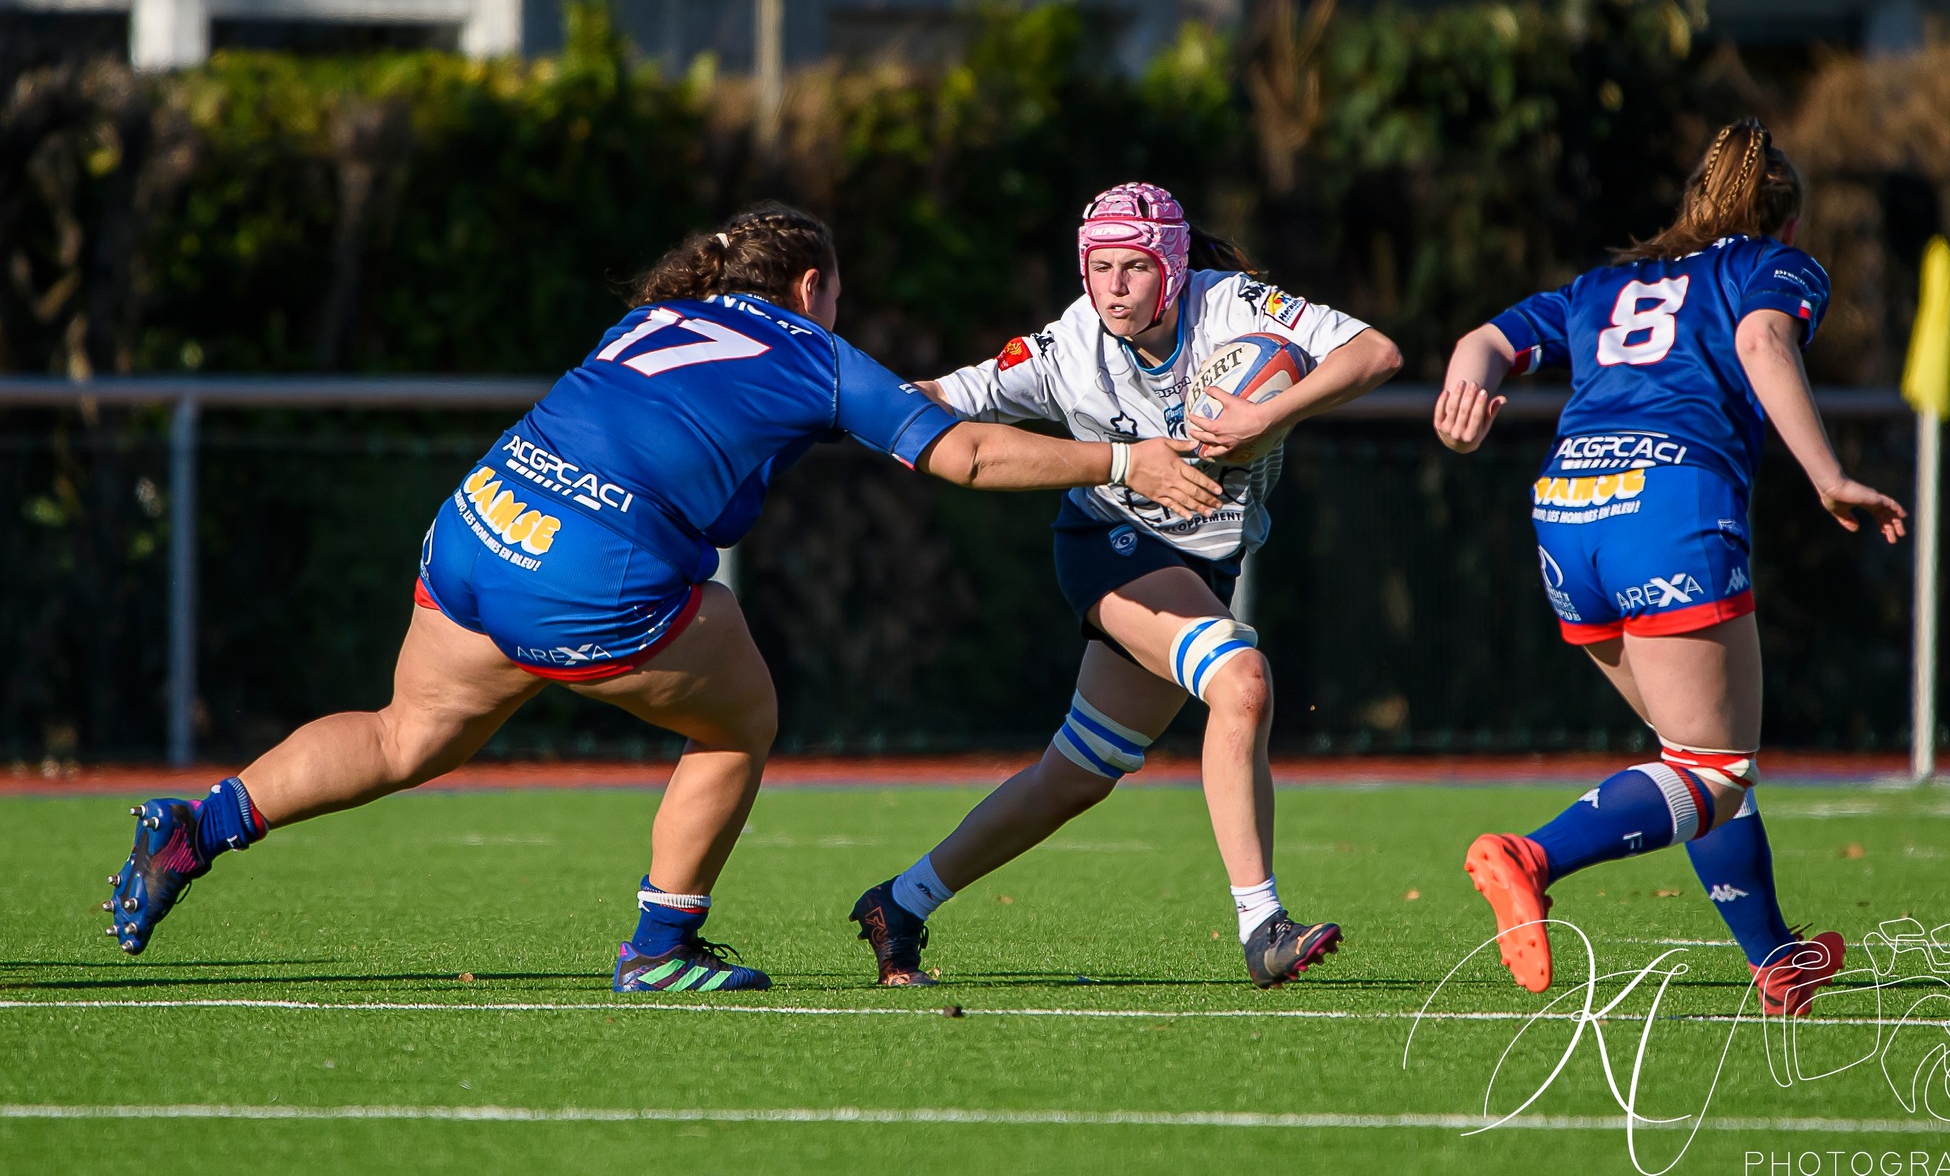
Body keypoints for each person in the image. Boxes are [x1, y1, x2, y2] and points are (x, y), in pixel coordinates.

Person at [102, 203, 1225, 993]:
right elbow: (963, 456)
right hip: (587, 567)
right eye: (836, 291)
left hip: (481, 522)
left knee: (406, 733)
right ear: (809, 286)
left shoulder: (649, 318)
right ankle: (657, 947)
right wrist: (1123, 459)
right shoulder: (814, 349)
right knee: (740, 718)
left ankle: (202, 824)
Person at [849, 182, 1403, 989]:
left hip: (1202, 566)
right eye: (1099, 267)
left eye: (1134, 268)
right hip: (1110, 547)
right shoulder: (1068, 346)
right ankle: (1263, 926)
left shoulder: (1236, 307)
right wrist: (832, 397)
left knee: (1074, 774)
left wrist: (1268, 415)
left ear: (1172, 269)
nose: (1113, 287)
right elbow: (943, 396)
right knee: (1242, 680)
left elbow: (1376, 353)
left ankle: (900, 903)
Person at [1433, 118, 1906, 1016]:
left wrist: (1464, 404)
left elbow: (1483, 340)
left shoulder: (1599, 285)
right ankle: (1530, 856)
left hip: (1567, 514)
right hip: (1668, 505)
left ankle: (1778, 959)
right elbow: (1763, 344)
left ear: (1691, 204)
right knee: (1715, 767)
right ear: (1787, 222)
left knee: (1692, 758)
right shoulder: (1773, 265)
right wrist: (1828, 475)